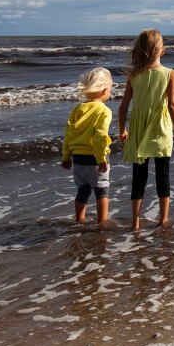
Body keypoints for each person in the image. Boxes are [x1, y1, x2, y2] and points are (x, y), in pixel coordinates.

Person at [118, 29, 174, 230]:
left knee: (138, 177)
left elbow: (123, 108)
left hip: (138, 129)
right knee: (163, 175)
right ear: (162, 51)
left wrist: (122, 130)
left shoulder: (133, 76)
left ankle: (136, 222)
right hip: (161, 128)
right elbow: (172, 105)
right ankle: (163, 219)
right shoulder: (170, 74)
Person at [61, 67, 113, 227]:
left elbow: (69, 134)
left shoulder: (77, 109)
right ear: (105, 90)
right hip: (94, 157)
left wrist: (66, 156)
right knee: (101, 190)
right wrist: (101, 158)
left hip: (77, 158)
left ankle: (79, 220)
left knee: (83, 189)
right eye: (110, 88)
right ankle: (102, 222)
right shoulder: (104, 110)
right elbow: (100, 136)